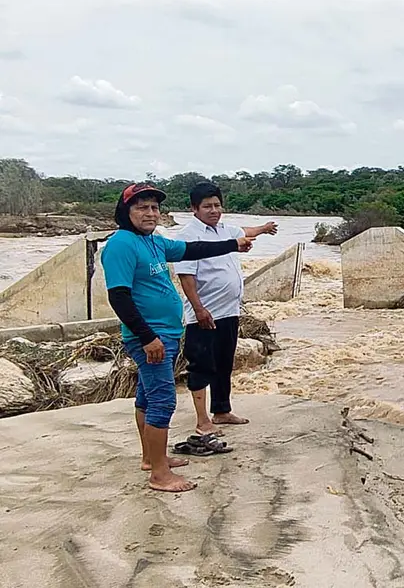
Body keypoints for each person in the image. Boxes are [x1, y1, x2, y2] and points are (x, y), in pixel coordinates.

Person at [101, 182, 255, 493]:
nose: (150, 213)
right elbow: (118, 297)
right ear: (125, 212)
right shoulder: (121, 244)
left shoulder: (154, 242)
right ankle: (160, 475)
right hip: (151, 337)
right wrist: (147, 337)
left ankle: (151, 458)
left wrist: (233, 244)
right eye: (142, 208)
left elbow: (194, 249)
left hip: (166, 333)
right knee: (163, 401)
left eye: (154, 208)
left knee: (146, 397)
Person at [174, 182, 278, 436]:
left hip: (229, 312)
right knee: (201, 365)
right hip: (204, 314)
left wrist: (263, 229)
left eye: (217, 205)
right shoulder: (187, 237)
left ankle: (221, 411)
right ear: (194, 209)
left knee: (223, 363)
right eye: (207, 206)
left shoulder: (225, 229)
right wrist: (199, 309)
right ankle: (202, 420)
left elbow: (245, 230)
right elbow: (186, 277)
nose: (213, 210)